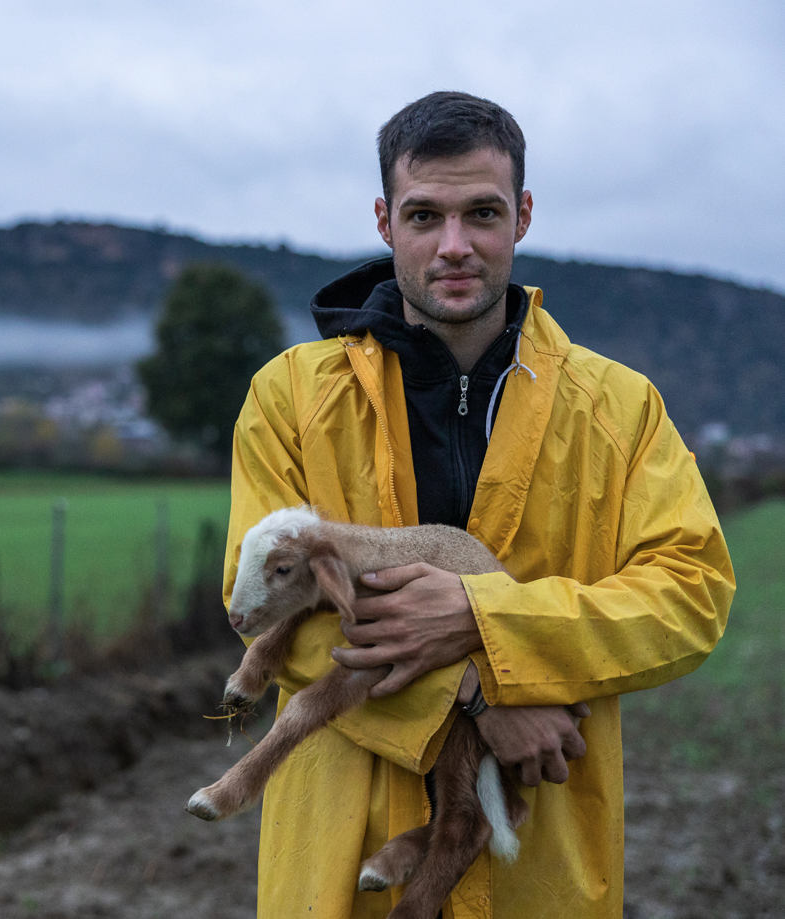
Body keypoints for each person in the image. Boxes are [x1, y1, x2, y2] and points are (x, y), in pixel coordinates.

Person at [222, 91, 734, 918]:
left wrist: (488, 627)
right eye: (424, 215)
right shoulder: (287, 398)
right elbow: (266, 605)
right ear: (385, 221)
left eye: (481, 213)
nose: (453, 245)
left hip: (540, 864)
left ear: (522, 215)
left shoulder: (619, 405)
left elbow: (689, 592)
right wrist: (484, 694)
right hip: (336, 865)